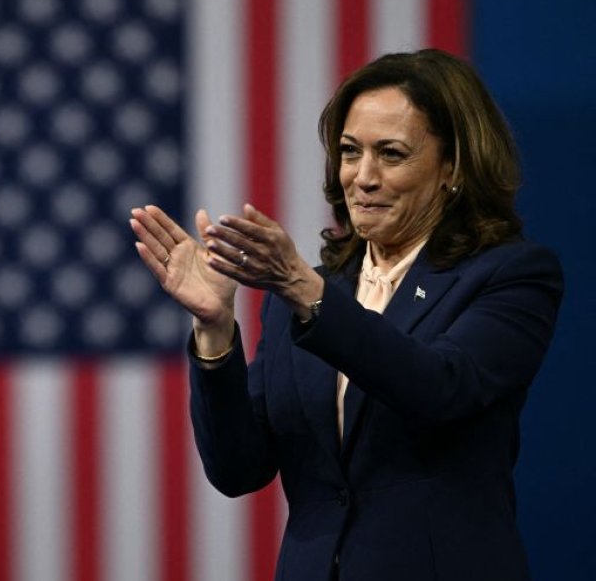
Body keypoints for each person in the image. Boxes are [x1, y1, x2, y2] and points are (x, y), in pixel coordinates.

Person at [130, 49, 563, 581]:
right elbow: (239, 468)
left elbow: (440, 389)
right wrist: (215, 328)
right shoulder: (308, 293)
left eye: (392, 154)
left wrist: (302, 289)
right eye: (350, 151)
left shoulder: (510, 275)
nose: (363, 176)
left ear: (453, 168)